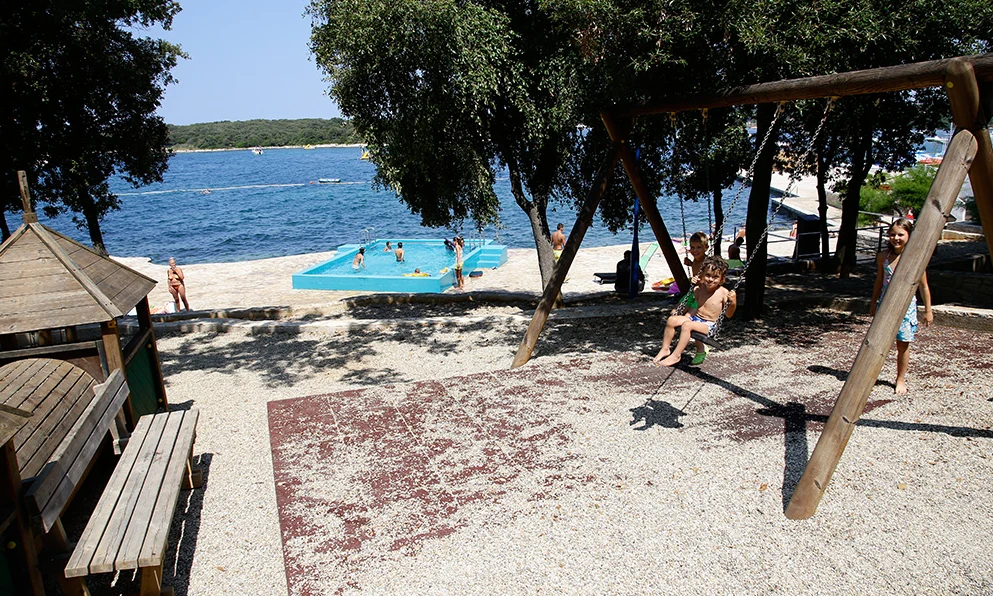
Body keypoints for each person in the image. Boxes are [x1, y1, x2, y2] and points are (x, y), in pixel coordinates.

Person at [870, 218, 932, 394]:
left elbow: (924, 286)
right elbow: (879, 281)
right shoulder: (884, 257)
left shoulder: (915, 258)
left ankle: (900, 378)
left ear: (909, 235)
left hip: (906, 306)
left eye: (900, 234)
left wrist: (928, 310)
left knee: (903, 344)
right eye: (892, 234)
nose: (895, 238)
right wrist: (873, 302)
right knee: (877, 342)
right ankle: (870, 374)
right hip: (885, 304)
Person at [654, 256, 736, 367]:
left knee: (687, 325)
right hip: (695, 319)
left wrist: (733, 302)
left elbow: (729, 315)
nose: (710, 279)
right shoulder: (699, 289)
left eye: (715, 277)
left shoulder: (723, 293)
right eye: (707, 275)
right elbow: (695, 300)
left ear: (722, 280)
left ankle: (676, 355)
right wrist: (695, 284)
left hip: (709, 325)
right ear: (702, 275)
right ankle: (665, 349)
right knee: (672, 320)